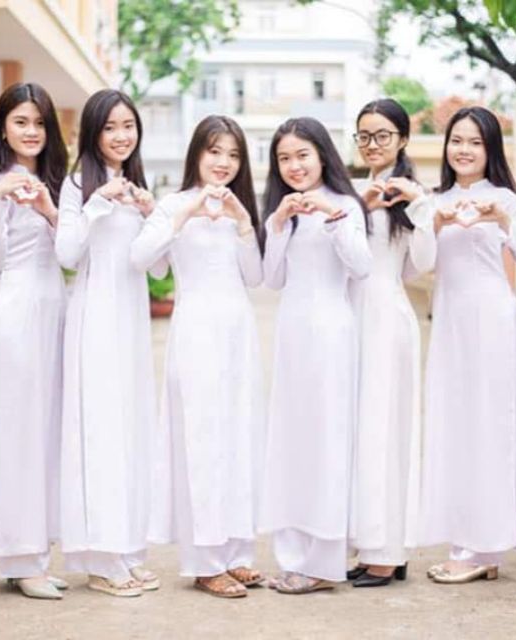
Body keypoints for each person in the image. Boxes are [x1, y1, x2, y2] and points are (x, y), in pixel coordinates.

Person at [131, 115, 264, 599]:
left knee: (239, 438)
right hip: (195, 334)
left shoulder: (238, 209)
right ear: (197, 154)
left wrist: (244, 223)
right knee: (201, 441)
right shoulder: (173, 204)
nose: (223, 162)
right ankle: (205, 561)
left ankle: (238, 553)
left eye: (233, 154)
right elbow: (143, 260)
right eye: (215, 151)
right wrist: (182, 215)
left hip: (238, 334)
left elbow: (255, 277)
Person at [420, 106, 516, 584]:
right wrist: (433, 225)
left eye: (475, 142)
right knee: (456, 429)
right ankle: (466, 543)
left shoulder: (506, 199)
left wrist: (506, 223)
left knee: (491, 429)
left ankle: (485, 548)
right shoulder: (436, 201)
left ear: (490, 148)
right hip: (451, 326)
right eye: (457, 140)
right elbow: (419, 263)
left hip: (494, 324)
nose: (464, 150)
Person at [260, 117, 372, 595]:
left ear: (323, 154)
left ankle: (324, 563)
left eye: (302, 155)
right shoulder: (283, 212)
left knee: (327, 439)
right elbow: (272, 279)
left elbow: (361, 266)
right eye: (284, 158)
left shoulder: (345, 205)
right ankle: (292, 557)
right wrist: (277, 225)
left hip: (330, 333)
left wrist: (331, 215)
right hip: (292, 335)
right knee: (292, 441)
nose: (294, 166)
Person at [56, 89, 158, 598]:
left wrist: (154, 214)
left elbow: (154, 265)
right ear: (93, 134)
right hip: (96, 314)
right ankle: (100, 559)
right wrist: (98, 203)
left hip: (132, 318)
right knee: (100, 429)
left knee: (131, 429)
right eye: (111, 127)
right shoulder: (78, 185)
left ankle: (127, 550)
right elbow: (67, 253)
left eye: (128, 126)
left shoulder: (139, 186)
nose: (121, 136)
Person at [0, 83, 67, 599]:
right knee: (14, 433)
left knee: (44, 435)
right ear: (3, 128)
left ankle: (34, 555)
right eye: (20, 122)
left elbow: (72, 252)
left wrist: (51, 209)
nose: (31, 132)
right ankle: (18, 557)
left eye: (39, 123)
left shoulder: (56, 182)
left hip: (51, 313)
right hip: (12, 314)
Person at [347, 99, 436, 588]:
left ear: (402, 139)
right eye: (364, 135)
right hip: (354, 317)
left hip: (387, 318)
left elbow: (422, 263)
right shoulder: (352, 193)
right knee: (361, 432)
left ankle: (388, 552)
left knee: (387, 431)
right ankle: (374, 545)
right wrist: (358, 208)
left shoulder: (412, 196)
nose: (372, 144)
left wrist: (418, 206)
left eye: (382, 135)